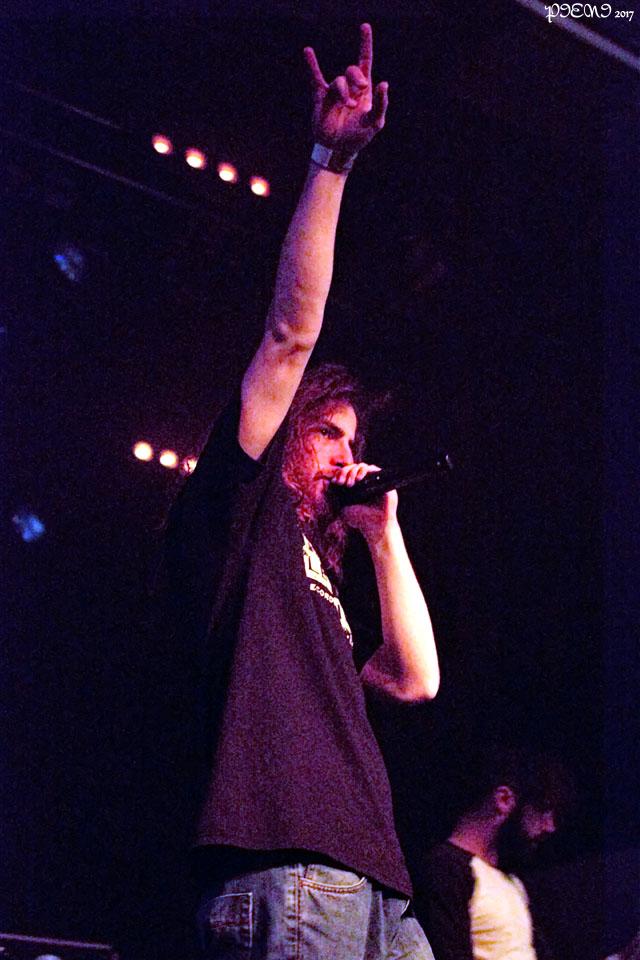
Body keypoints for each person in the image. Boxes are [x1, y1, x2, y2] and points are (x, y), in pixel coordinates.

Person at [165, 23, 440, 960]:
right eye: (327, 433)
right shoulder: (244, 522)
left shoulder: (324, 578)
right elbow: (290, 336)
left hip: (381, 888)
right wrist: (331, 164)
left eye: (353, 444)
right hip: (286, 867)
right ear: (286, 433)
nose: (342, 456)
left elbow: (415, 678)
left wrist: (383, 534)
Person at [417, 749, 573, 960]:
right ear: (504, 800)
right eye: (543, 808)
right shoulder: (445, 868)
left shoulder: (512, 882)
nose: (550, 826)